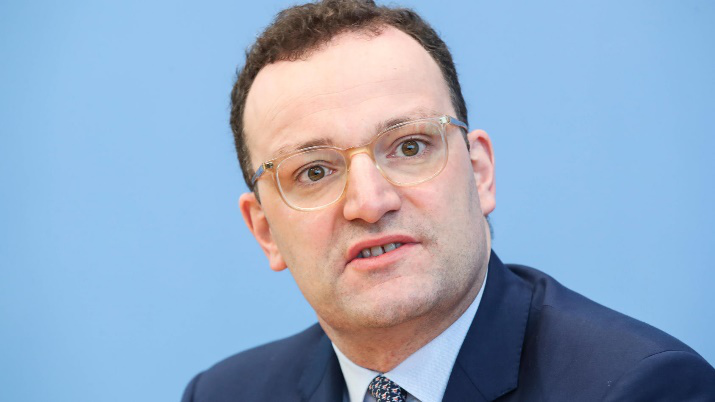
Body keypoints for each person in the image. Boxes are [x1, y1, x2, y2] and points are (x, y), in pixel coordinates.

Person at [182, 1, 715, 401]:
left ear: (480, 173)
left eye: (410, 147)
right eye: (314, 171)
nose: (369, 202)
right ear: (265, 231)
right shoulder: (223, 394)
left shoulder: (639, 386)